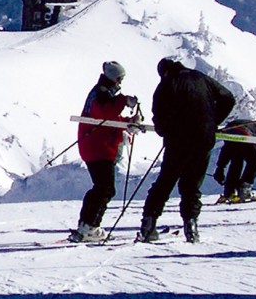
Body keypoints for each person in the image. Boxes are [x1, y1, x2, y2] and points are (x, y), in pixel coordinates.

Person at [139, 58, 235, 243]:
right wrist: (213, 121)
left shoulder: (166, 84)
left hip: (178, 140)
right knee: (192, 185)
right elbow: (228, 98)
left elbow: (158, 115)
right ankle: (191, 227)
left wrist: (165, 130)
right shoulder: (201, 78)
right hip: (203, 138)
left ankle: (148, 225)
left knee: (165, 182)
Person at [70, 61, 140, 243]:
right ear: (113, 77)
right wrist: (124, 101)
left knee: (102, 188)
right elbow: (104, 112)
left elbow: (108, 118)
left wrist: (127, 122)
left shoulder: (102, 92)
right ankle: (90, 226)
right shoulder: (101, 92)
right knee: (105, 188)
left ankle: (86, 225)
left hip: (96, 146)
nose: (120, 83)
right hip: (97, 147)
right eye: (120, 79)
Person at [213, 119, 256, 203]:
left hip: (229, 130)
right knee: (254, 162)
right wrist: (245, 181)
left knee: (236, 161)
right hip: (246, 134)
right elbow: (255, 162)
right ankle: (245, 190)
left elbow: (226, 150)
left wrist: (220, 168)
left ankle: (229, 192)